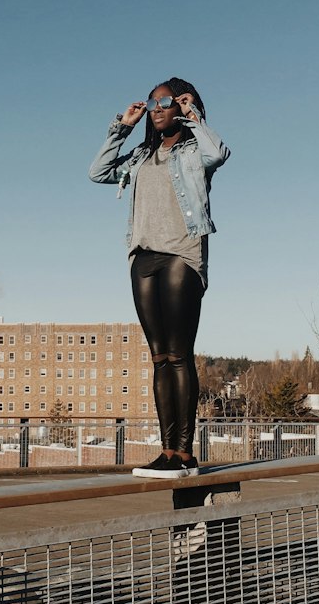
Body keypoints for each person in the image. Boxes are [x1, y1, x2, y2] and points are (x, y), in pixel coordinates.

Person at [89, 77, 230, 479]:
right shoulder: (141, 154)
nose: (157, 108)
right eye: (153, 103)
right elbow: (98, 172)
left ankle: (185, 454)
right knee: (160, 358)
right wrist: (123, 127)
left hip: (181, 255)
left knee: (180, 354)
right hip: (144, 258)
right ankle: (166, 450)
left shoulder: (192, 149)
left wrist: (194, 117)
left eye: (166, 102)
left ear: (182, 105)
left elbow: (218, 153)